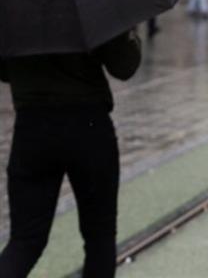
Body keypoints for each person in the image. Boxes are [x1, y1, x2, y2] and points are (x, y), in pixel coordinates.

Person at [0, 30, 141, 277]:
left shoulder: (10, 2)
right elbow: (124, 66)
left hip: (32, 127)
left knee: (25, 241)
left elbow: (3, 70)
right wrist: (130, 33)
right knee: (99, 237)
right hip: (88, 126)